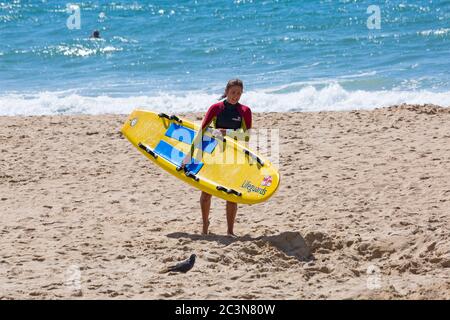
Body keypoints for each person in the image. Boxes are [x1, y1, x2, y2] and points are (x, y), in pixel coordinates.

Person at [181, 79, 252, 237]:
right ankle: (205, 225)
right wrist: (189, 156)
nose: (235, 96)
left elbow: (246, 137)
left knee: (231, 194)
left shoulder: (245, 111)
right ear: (226, 91)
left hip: (233, 156)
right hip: (213, 154)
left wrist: (227, 133)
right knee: (207, 192)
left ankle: (230, 231)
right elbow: (201, 132)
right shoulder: (216, 108)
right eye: (233, 92)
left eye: (239, 93)